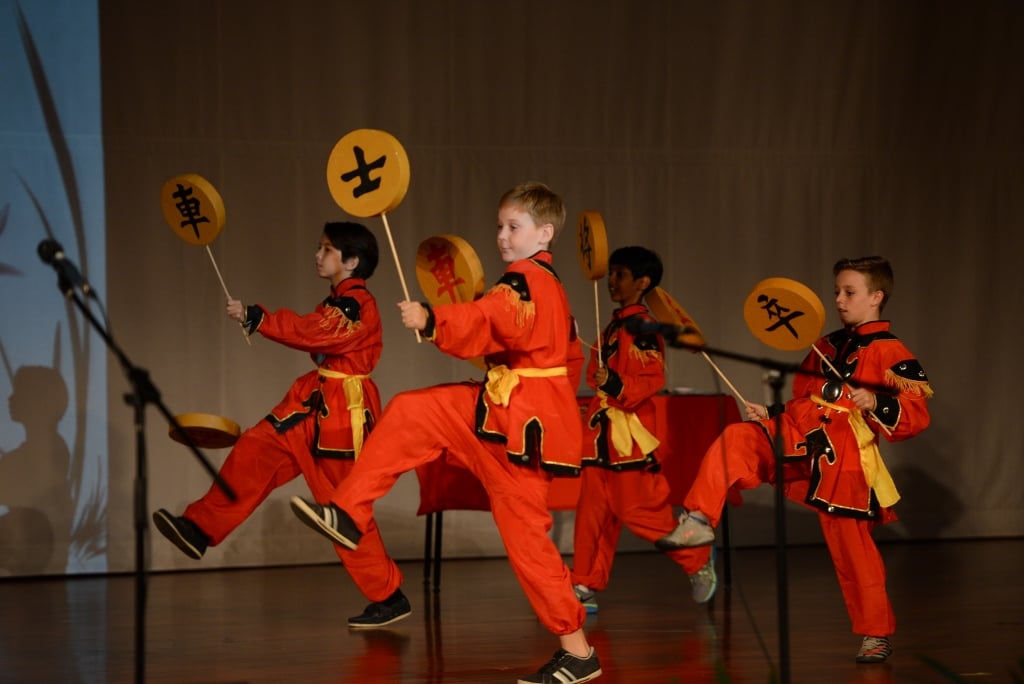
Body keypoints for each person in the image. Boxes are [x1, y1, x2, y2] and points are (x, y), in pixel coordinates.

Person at [290, 182, 603, 684]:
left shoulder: (524, 280)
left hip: (517, 428)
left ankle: (577, 650)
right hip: (503, 415)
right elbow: (557, 354)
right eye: (500, 225)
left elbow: (490, 315)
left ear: (544, 233)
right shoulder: (548, 285)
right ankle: (349, 510)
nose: (501, 236)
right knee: (417, 410)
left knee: (528, 543)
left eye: (513, 227)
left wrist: (433, 318)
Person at [656, 256, 933, 664]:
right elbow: (807, 400)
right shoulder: (824, 345)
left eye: (849, 292)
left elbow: (917, 413)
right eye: (836, 290)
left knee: (853, 550)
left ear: (876, 297)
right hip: (801, 437)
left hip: (845, 459)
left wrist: (875, 400)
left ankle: (876, 632)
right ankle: (697, 520)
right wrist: (772, 415)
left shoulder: (892, 351)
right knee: (738, 437)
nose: (838, 299)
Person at [151, 221, 411, 628]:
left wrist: (259, 317)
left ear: (352, 260)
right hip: (311, 404)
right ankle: (199, 528)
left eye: (327, 249)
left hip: (341, 415)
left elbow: (314, 332)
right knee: (255, 448)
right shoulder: (338, 300)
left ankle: (388, 595)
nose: (318, 255)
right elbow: (314, 332)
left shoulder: (356, 304)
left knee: (342, 510)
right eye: (320, 246)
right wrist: (260, 319)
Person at [570, 246, 717, 615]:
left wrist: (615, 383)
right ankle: (585, 582)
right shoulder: (613, 325)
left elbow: (651, 378)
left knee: (637, 510)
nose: (611, 282)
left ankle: (696, 558)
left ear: (643, 282)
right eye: (611, 274)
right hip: (600, 435)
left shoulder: (644, 329)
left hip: (627, 437)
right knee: (592, 512)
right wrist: (602, 376)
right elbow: (596, 374)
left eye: (620, 274)